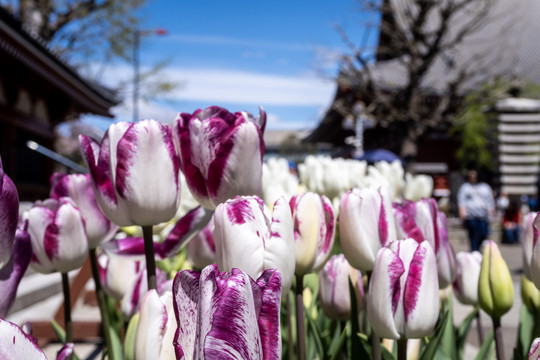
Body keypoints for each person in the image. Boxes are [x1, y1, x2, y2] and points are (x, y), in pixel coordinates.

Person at [457, 169, 495, 251]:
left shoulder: (485, 187)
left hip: (483, 216)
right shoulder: (465, 187)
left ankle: (477, 248)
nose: (472, 177)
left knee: (484, 234)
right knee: (473, 235)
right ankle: (474, 251)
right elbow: (461, 201)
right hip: (471, 216)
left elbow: (490, 201)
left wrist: (491, 213)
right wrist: (462, 213)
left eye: (474, 175)